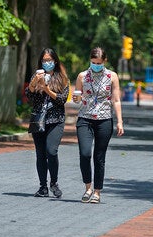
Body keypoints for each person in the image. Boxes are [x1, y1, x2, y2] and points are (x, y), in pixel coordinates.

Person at [72, 47, 124, 204]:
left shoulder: (112, 76)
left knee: (99, 157)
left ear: (104, 61)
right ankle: (88, 187)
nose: (96, 65)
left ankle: (97, 192)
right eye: (93, 62)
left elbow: (116, 100)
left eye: (99, 63)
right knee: (85, 153)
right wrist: (76, 99)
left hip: (104, 119)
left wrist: (120, 121)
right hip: (85, 118)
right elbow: (77, 96)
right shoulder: (82, 76)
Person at [25, 48, 69, 198]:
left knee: (51, 151)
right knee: (40, 154)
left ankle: (54, 183)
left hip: (56, 120)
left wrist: (46, 89)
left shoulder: (62, 78)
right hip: (39, 120)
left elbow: (62, 99)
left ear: (55, 61)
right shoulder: (36, 76)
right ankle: (43, 186)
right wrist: (34, 83)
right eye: (44, 60)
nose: (47, 63)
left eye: (49, 60)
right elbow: (29, 96)